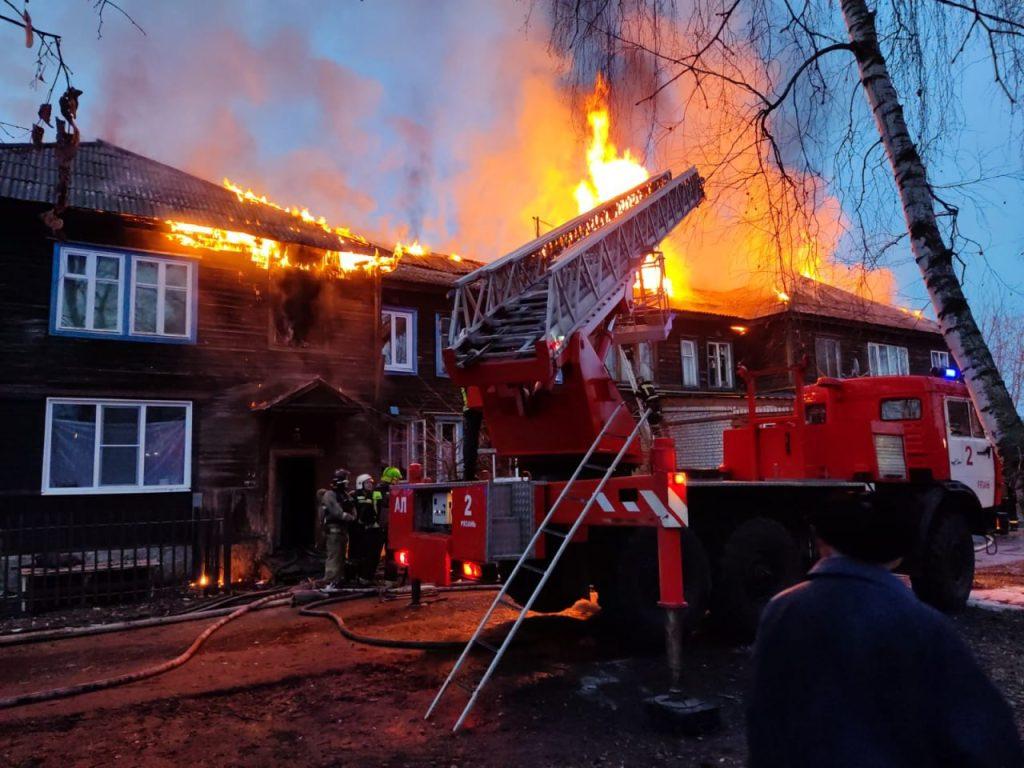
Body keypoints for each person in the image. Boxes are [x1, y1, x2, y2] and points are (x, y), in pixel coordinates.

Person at [747, 492, 1023, 768]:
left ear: (821, 542)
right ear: (898, 554)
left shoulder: (780, 612)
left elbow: (763, 727)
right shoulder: (924, 626)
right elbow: (990, 741)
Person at [317, 468, 355, 588]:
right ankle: (330, 581)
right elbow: (337, 512)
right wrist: (348, 516)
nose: (347, 483)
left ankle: (338, 580)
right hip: (334, 531)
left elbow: (352, 508)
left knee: (341, 557)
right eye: (346, 480)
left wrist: (352, 515)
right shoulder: (330, 495)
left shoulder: (345, 495)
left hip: (342, 531)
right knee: (334, 556)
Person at [352, 473, 383, 584]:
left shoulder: (376, 494)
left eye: (371, 483)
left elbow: (380, 508)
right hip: (360, 530)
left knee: (373, 554)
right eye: (367, 483)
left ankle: (368, 577)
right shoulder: (355, 495)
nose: (370, 485)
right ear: (360, 484)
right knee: (361, 554)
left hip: (373, 528)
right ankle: (361, 577)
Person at [378, 466, 403, 580]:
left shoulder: (377, 490)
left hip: (378, 527)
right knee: (391, 554)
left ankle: (367, 577)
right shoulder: (391, 491)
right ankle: (390, 579)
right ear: (392, 478)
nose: (398, 481)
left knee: (374, 554)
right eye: (397, 479)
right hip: (388, 527)